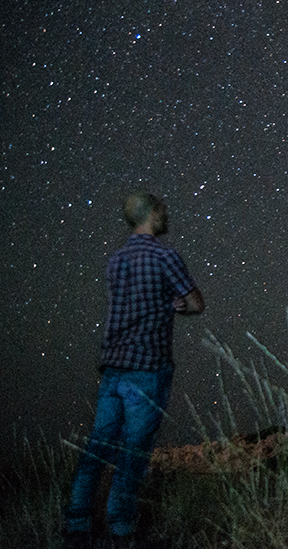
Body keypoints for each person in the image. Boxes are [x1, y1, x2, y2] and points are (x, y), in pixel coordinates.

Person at [63, 192, 205, 549]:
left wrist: (163, 303)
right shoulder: (165, 256)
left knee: (97, 446)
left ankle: (77, 524)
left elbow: (134, 304)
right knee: (134, 452)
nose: (167, 216)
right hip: (148, 367)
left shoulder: (116, 260)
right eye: (164, 210)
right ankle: (120, 529)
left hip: (113, 367)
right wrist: (177, 306)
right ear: (153, 213)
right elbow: (196, 302)